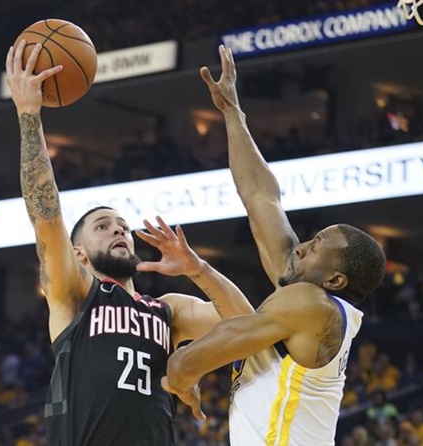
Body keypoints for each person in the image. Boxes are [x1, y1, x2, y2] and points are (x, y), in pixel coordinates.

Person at [5, 40, 254, 446]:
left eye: (122, 225)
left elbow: (246, 324)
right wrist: (29, 115)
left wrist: (199, 270)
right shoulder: (76, 294)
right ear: (79, 254)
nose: (119, 230)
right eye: (103, 226)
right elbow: (46, 217)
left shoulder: (168, 310)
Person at [162, 46, 387, 445]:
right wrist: (233, 112)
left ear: (334, 279)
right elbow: (261, 197)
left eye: (316, 246)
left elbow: (187, 361)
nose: (301, 247)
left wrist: (179, 378)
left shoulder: (311, 307)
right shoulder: (305, 303)